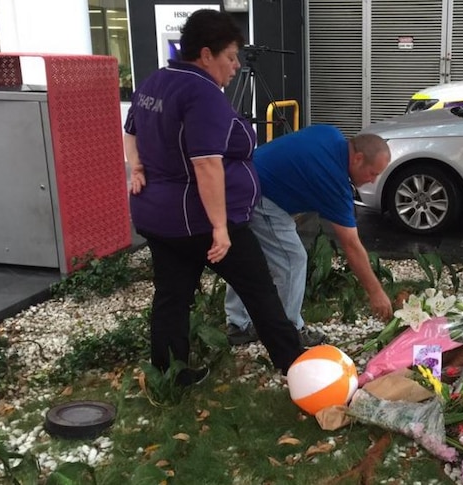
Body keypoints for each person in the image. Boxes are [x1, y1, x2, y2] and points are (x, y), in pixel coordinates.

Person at [123, 9, 303, 385]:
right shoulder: (202, 92)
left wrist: (136, 167)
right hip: (200, 221)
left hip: (158, 217)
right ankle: (297, 366)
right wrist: (220, 227)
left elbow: (131, 129)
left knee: (171, 297)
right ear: (206, 55)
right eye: (230, 56)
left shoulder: (155, 81)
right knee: (260, 291)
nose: (236, 66)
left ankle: (169, 376)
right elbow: (206, 164)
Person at [224, 125, 394, 346]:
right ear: (358, 158)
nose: (372, 180)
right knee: (292, 259)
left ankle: (238, 324)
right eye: (373, 173)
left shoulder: (330, 134)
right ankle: (289, 330)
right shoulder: (334, 181)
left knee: (249, 256)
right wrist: (376, 292)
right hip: (260, 196)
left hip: (238, 180)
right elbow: (351, 245)